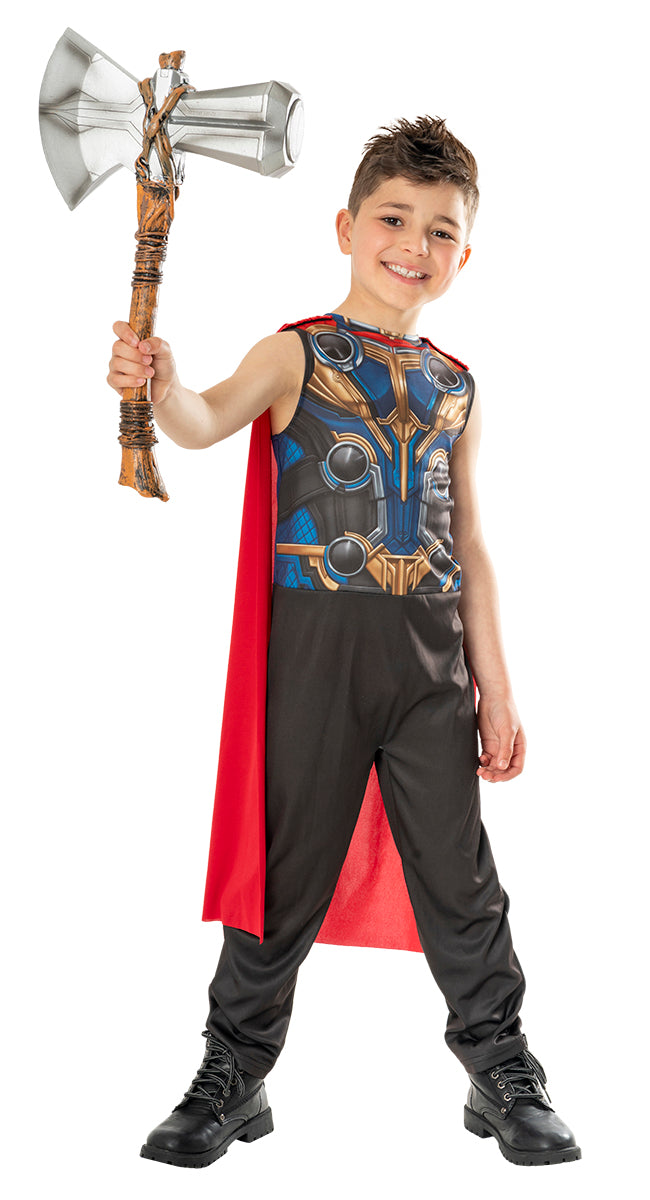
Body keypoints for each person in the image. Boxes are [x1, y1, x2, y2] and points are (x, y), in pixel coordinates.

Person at [107, 115, 581, 1169]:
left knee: (459, 879)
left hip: (428, 674)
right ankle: (234, 1072)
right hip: (315, 663)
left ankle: (500, 1067)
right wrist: (158, 383)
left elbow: (468, 543)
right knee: (281, 874)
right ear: (346, 227)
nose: (414, 245)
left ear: (464, 255)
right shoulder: (295, 353)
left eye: (440, 230)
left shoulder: (456, 386)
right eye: (393, 219)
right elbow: (201, 420)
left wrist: (495, 689)